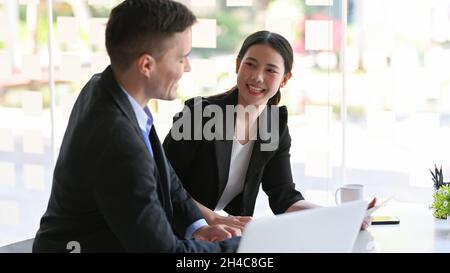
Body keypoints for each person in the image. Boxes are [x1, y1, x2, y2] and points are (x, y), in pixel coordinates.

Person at [33, 0, 240, 253]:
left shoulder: (110, 87)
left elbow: (163, 170)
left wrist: (196, 226)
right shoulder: (116, 140)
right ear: (146, 65)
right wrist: (244, 249)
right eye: (182, 58)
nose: (187, 67)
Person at [163, 30, 374, 231]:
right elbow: (161, 181)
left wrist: (340, 216)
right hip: (175, 229)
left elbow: (284, 197)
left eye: (270, 70)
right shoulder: (200, 115)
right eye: (250, 65)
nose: (257, 77)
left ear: (285, 79)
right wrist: (211, 218)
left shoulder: (274, 126)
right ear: (238, 65)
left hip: (221, 234)